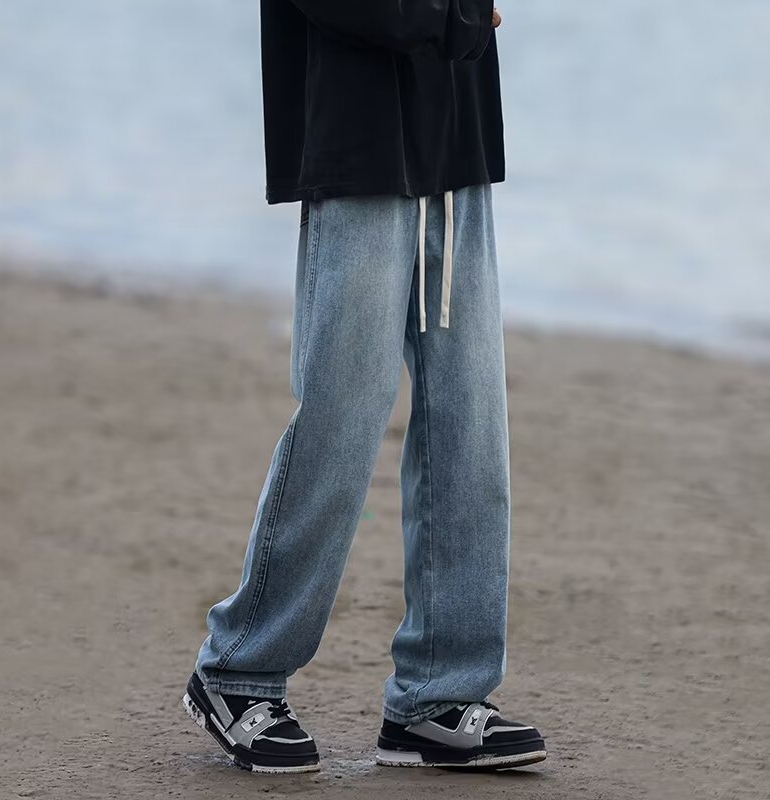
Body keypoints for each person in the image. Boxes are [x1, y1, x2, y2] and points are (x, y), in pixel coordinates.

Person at [181, 0, 546, 774]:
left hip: (456, 140)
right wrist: (456, 13)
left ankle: (439, 697)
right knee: (341, 421)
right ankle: (238, 669)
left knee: (470, 430)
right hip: (357, 144)